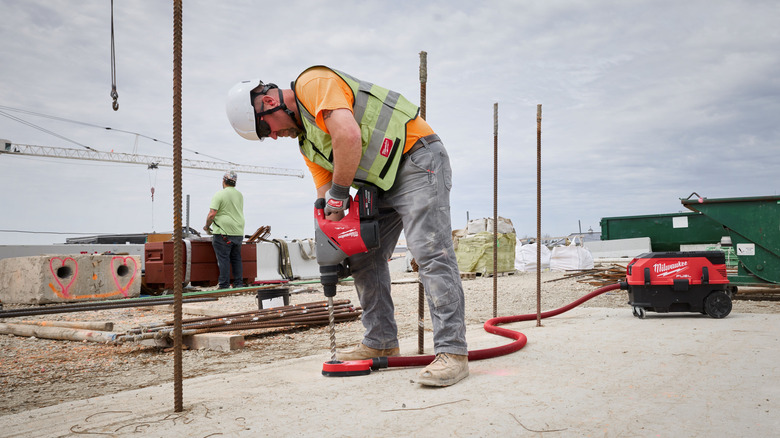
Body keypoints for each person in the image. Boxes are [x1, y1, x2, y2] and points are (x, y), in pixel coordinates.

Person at [226, 66, 468, 387]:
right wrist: (334, 250)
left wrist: (339, 198)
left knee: (429, 250)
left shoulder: (312, 83)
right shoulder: (308, 145)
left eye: (265, 128)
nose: (272, 136)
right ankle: (381, 340)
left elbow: (348, 135)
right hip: (381, 183)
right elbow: (328, 205)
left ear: (269, 101)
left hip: (416, 158)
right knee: (362, 255)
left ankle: (452, 351)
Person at [204, 170, 245, 290]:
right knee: (236, 258)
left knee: (223, 258)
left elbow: (212, 214)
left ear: (223, 181)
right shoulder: (239, 195)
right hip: (238, 231)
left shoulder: (219, 194)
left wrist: (207, 226)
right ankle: (238, 284)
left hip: (223, 232)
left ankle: (224, 285)